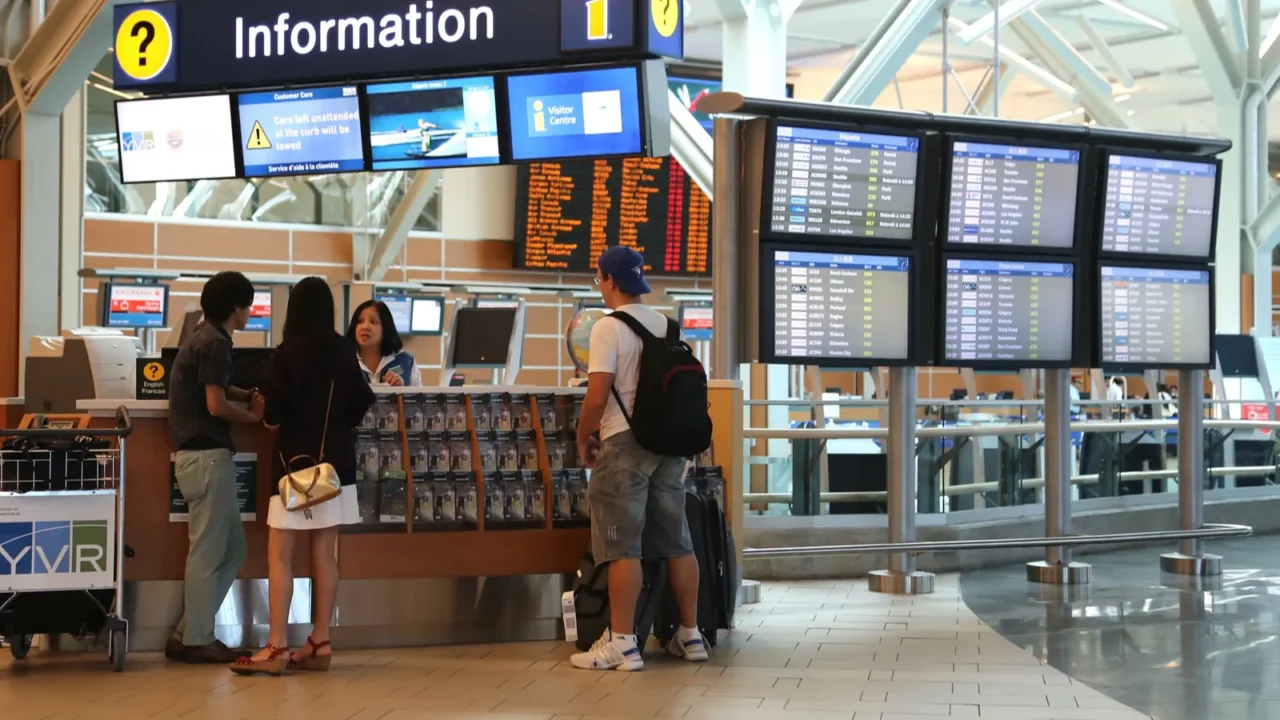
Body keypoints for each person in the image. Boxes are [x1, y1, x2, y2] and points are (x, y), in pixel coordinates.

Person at [570, 246, 706, 672]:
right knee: (677, 541)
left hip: (623, 445)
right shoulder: (667, 324)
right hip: (668, 447)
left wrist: (582, 435)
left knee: (620, 546)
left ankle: (623, 643)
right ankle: (690, 635)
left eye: (600, 280)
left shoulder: (606, 328)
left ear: (609, 280)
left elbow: (597, 394)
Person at [231, 277, 375, 676]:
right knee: (325, 555)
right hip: (335, 470)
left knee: (280, 555)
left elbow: (273, 417)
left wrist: (267, 410)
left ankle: (276, 647)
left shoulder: (286, 354)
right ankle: (320, 641)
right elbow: (364, 399)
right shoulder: (345, 352)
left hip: (295, 469)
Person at [165, 271, 264, 664]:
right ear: (236, 307)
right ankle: (196, 639)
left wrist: (246, 393)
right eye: (248, 305)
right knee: (208, 552)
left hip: (200, 458)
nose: (249, 312)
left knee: (231, 550)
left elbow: (217, 388)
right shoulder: (216, 343)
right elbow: (215, 405)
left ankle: (190, 630)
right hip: (207, 458)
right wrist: (252, 417)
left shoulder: (205, 337)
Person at [347, 300, 422, 387]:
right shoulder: (343, 362)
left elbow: (418, 399)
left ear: (386, 327)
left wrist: (401, 392)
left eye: (373, 322)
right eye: (360, 321)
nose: (365, 327)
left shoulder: (406, 362)